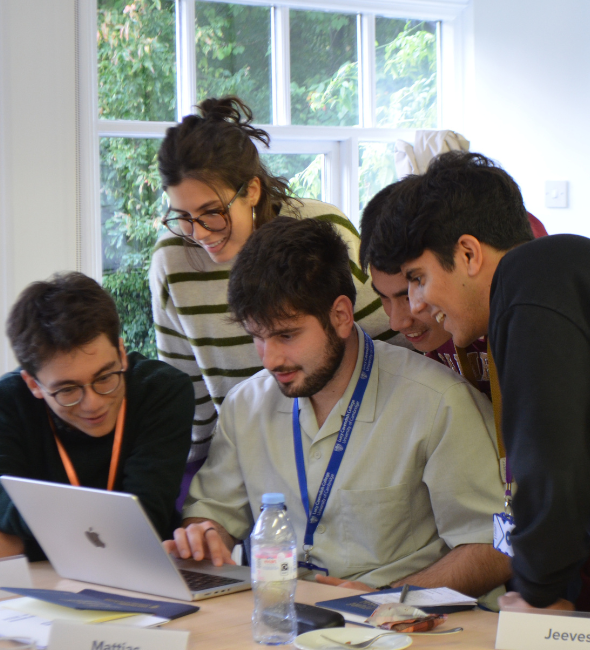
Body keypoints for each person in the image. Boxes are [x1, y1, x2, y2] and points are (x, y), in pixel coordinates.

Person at [164, 216, 512, 597]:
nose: (270, 359)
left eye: (287, 335)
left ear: (341, 316)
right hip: (278, 618)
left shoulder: (438, 403)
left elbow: (494, 549)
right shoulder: (244, 406)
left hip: (399, 627)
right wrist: (204, 535)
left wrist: (387, 597)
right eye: (257, 337)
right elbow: (212, 513)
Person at [366, 150, 590, 611]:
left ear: (467, 253)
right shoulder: (554, 271)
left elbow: (550, 457)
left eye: (418, 278)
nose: (417, 303)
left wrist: (538, 596)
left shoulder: (531, 284)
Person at [148, 96, 400, 492]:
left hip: (359, 445)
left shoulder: (320, 227)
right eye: (182, 216)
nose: (199, 233)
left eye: (212, 212)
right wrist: (196, 497)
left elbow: (394, 345)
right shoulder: (172, 261)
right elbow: (189, 394)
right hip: (251, 458)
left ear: (251, 189)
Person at [0, 272, 194, 561]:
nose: (92, 404)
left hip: (145, 570)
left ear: (121, 353)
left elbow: (143, 522)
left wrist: (25, 546)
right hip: (47, 581)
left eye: (105, 377)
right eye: (67, 390)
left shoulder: (162, 391)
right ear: (33, 384)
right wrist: (85, 528)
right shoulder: (6, 401)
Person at [359, 180, 548, 400]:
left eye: (418, 280)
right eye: (384, 297)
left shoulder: (538, 308)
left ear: (465, 257)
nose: (397, 323)